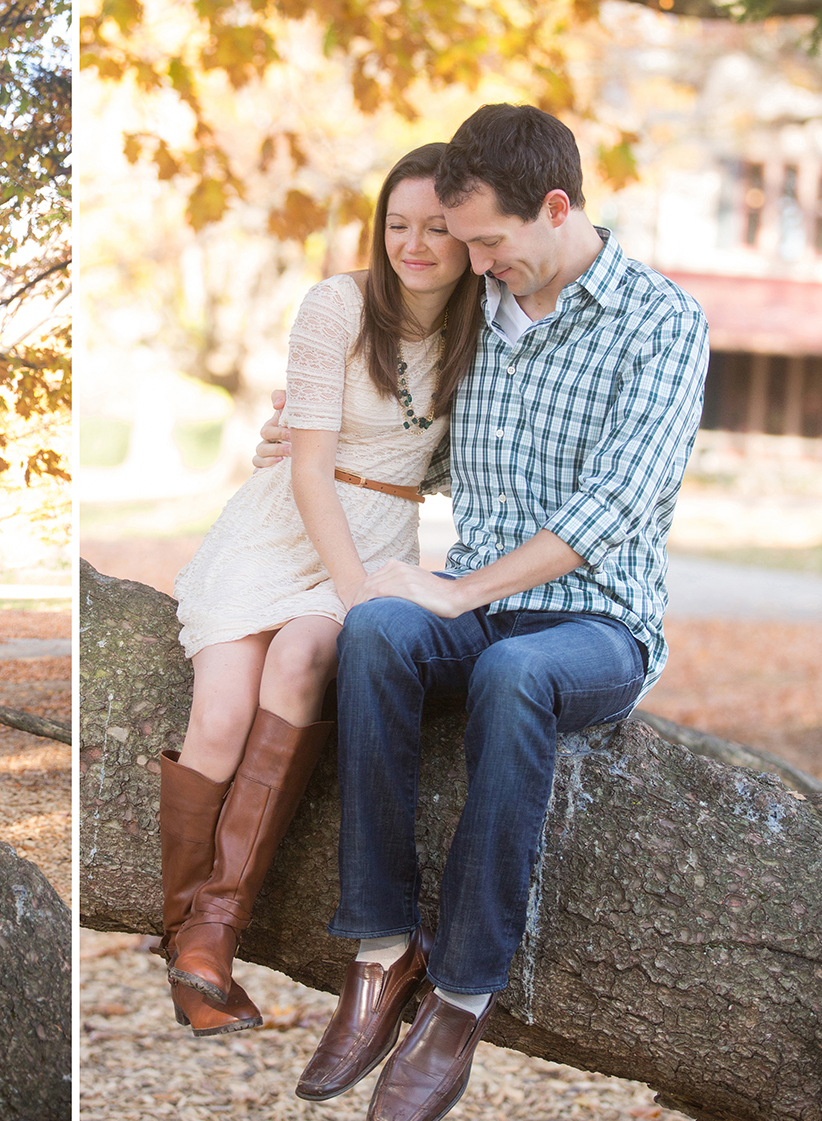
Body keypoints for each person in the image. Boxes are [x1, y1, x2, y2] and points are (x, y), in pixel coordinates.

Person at [256, 106, 708, 1121]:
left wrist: (460, 590)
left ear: (555, 209)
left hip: (597, 623)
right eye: (466, 245)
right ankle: (381, 946)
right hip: (471, 609)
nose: (476, 262)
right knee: (373, 628)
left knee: (516, 673)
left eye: (491, 243)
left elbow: (618, 502)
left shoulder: (663, 321)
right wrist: (303, 436)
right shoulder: (483, 317)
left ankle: (460, 996)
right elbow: (422, 446)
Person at [159, 144, 483, 1038]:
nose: (415, 245)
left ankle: (209, 937)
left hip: (383, 533)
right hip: (285, 530)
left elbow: (464, 459)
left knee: (305, 655)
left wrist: (364, 593)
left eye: (436, 228)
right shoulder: (336, 305)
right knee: (220, 717)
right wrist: (359, 591)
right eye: (398, 225)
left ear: (466, 235)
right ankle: (189, 946)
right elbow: (305, 472)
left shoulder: (479, 330)